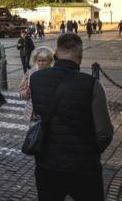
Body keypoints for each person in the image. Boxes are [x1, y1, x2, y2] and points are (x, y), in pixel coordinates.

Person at [30, 33, 113, 201]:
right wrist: (90, 151)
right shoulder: (92, 84)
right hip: (83, 168)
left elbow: (38, 116)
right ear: (80, 57)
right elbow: (104, 133)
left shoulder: (36, 79)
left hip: (47, 165)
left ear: (55, 54)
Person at [18, 46, 54, 122]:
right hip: (33, 113)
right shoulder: (30, 72)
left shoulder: (54, 73)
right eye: (39, 60)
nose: (41, 63)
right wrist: (27, 93)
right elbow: (20, 92)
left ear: (50, 61)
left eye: (44, 61)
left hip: (50, 113)